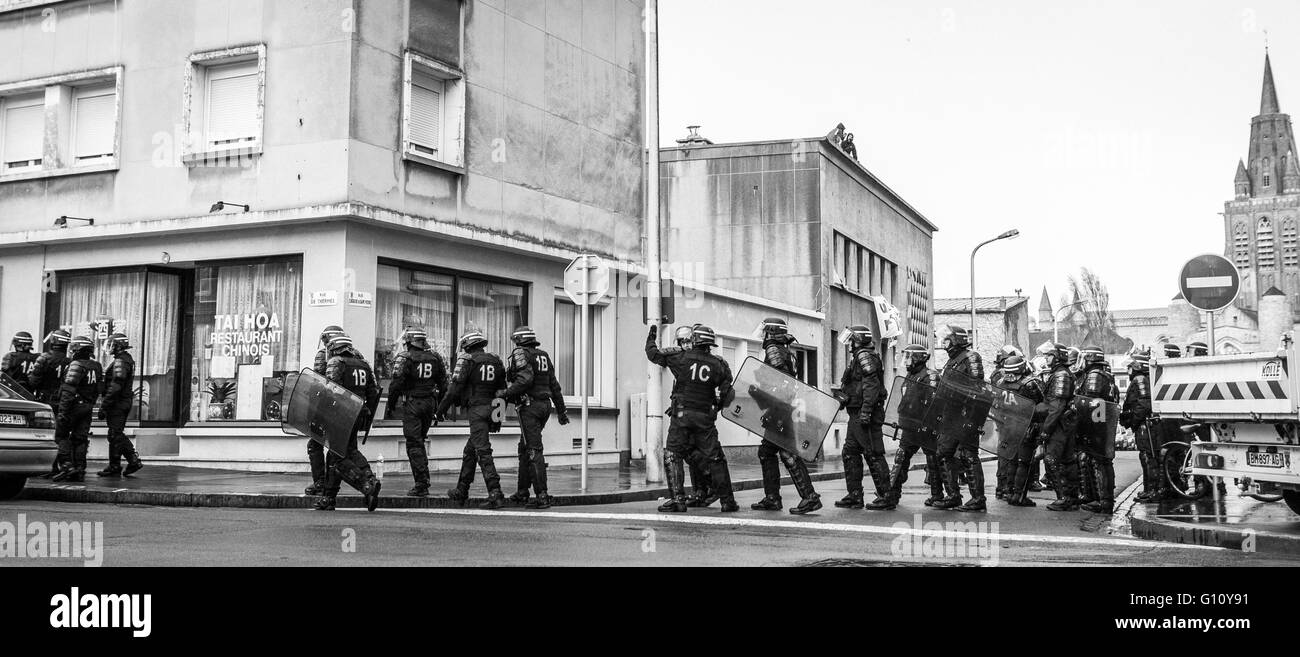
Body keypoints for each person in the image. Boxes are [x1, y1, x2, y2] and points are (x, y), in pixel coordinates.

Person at [645, 324, 740, 513]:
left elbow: (653, 354)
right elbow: (728, 394)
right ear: (710, 344)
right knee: (716, 458)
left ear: (694, 340)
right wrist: (715, 408)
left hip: (681, 416)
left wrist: (651, 338)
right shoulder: (719, 364)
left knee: (673, 454)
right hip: (705, 418)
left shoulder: (679, 357)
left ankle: (678, 500)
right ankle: (727, 501)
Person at [750, 318, 821, 515]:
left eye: (766, 331)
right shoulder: (786, 352)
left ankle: (810, 497)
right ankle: (772, 498)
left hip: (780, 411)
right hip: (781, 410)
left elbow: (782, 384)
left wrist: (766, 399)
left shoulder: (774, 350)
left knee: (788, 454)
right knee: (766, 452)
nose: (763, 335)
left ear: (772, 332)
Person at [500, 326, 570, 510]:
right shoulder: (543, 355)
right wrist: (562, 411)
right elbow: (554, 384)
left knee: (533, 450)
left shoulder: (521, 353)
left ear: (519, 341)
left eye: (515, 341)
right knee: (524, 448)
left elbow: (525, 380)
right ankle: (522, 492)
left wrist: (505, 393)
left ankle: (542, 495)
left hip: (530, 406)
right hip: (545, 406)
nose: (514, 345)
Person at [439, 330, 509, 510]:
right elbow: (502, 390)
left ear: (468, 345)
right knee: (470, 451)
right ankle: (461, 490)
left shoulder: (467, 360)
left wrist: (440, 411)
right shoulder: (496, 360)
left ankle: (495, 493)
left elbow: (454, 389)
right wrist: (498, 417)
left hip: (477, 410)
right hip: (493, 407)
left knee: (483, 451)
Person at [315, 334, 382, 512]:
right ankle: (330, 497)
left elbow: (330, 391)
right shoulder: (364, 365)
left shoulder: (336, 362)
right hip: (358, 414)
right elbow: (373, 393)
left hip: (340, 414)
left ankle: (366, 486)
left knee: (338, 458)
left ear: (335, 348)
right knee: (349, 451)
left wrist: (320, 413)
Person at [834, 325, 894, 511]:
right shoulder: (859, 356)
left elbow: (871, 386)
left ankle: (886, 496)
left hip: (865, 413)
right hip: (856, 413)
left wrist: (866, 411)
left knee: (873, 453)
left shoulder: (864, 356)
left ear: (859, 340)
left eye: (852, 339)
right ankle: (854, 495)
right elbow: (856, 384)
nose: (850, 342)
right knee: (850, 452)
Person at [385, 328, 447, 498]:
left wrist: (390, 405)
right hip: (430, 403)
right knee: (420, 441)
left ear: (409, 341)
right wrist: (441, 408)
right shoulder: (436, 357)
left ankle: (421, 484)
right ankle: (423, 479)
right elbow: (444, 384)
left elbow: (396, 384)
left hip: (413, 403)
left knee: (414, 444)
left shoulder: (405, 357)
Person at [932, 325, 986, 512]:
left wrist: (972, 418)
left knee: (969, 456)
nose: (944, 344)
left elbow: (976, 388)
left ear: (957, 340)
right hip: (950, 416)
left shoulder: (971, 358)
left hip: (965, 415)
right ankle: (953, 496)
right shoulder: (951, 361)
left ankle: (978, 499)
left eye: (947, 340)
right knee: (943, 453)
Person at [886, 344, 948, 507]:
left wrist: (930, 425)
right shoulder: (909, 377)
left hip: (926, 428)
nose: (906, 361)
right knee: (900, 459)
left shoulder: (931, 376)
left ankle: (938, 495)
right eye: (905, 357)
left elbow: (935, 403)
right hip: (909, 428)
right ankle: (891, 495)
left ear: (919, 358)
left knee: (934, 460)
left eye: (910, 357)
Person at [1035, 342, 1080, 512]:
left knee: (1052, 460)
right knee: (1068, 461)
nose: (1046, 358)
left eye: (1049, 355)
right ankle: (1072, 498)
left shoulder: (1061, 375)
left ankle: (1064, 498)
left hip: (1060, 425)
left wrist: (1045, 432)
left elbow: (1056, 407)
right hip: (1065, 424)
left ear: (1057, 356)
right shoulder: (1060, 374)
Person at [1075, 345, 1119, 513]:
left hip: (1096, 424)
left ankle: (1104, 501)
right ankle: (1098, 499)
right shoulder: (1104, 374)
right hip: (1100, 423)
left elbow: (1090, 401)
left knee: (1099, 461)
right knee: (1096, 461)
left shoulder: (1095, 375)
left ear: (1091, 358)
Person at [52, 336, 103, 483]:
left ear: (77, 350)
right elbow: (99, 388)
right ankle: (80, 469)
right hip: (87, 406)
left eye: (73, 348)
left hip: (73, 406)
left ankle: (67, 466)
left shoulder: (75, 365)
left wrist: (62, 412)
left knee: (61, 436)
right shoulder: (97, 366)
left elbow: (68, 390)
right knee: (80, 438)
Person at [305, 325, 346, 496]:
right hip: (345, 409)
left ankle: (321, 482)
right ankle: (331, 483)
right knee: (339, 448)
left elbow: (319, 381)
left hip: (326, 406)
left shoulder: (324, 355)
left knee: (315, 444)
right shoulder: (355, 355)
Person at [999, 356, 1046, 507]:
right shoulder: (1030, 383)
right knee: (1025, 463)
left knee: (1012, 461)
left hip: (1008, 427)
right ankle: (1019, 496)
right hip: (1026, 427)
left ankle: (1010, 492)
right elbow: (1042, 405)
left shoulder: (1001, 383)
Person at [97, 333, 144, 478]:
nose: (109, 347)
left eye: (111, 344)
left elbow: (116, 386)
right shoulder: (124, 360)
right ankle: (114, 466)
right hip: (121, 401)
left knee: (115, 433)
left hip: (118, 403)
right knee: (114, 434)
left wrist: (104, 405)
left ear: (118, 346)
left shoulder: (121, 361)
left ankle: (133, 459)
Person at [1120, 351, 1163, 502]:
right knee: (1147, 456)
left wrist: (1133, 420)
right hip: (1145, 424)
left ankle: (1152, 491)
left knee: (1148, 457)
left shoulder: (1140, 379)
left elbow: (1144, 403)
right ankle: (1149, 490)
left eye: (1130, 366)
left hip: (1146, 425)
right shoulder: (1143, 379)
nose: (1128, 370)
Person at [29, 330, 72, 477]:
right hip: (63, 401)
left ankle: (59, 465)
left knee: (48, 435)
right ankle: (64, 464)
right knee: (62, 433)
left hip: (46, 401)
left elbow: (33, 381)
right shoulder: (70, 361)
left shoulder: (44, 358)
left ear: (53, 342)